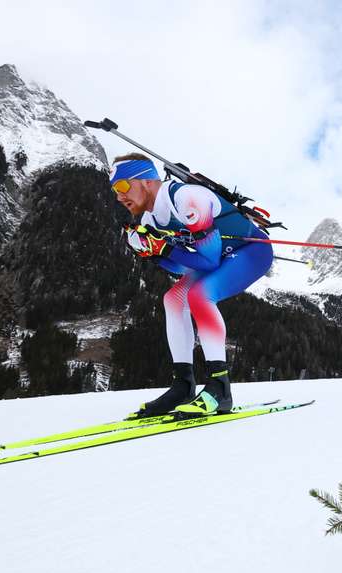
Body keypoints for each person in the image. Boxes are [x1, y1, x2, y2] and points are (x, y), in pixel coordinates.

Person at [110, 153, 274, 418]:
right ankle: (183, 385)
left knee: (200, 296)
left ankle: (220, 388)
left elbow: (207, 262)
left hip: (252, 251)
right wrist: (153, 253)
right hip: (220, 257)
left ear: (147, 180)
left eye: (123, 186)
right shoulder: (150, 221)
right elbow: (184, 267)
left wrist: (162, 248)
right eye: (115, 190)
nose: (119, 196)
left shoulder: (188, 198)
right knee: (173, 299)